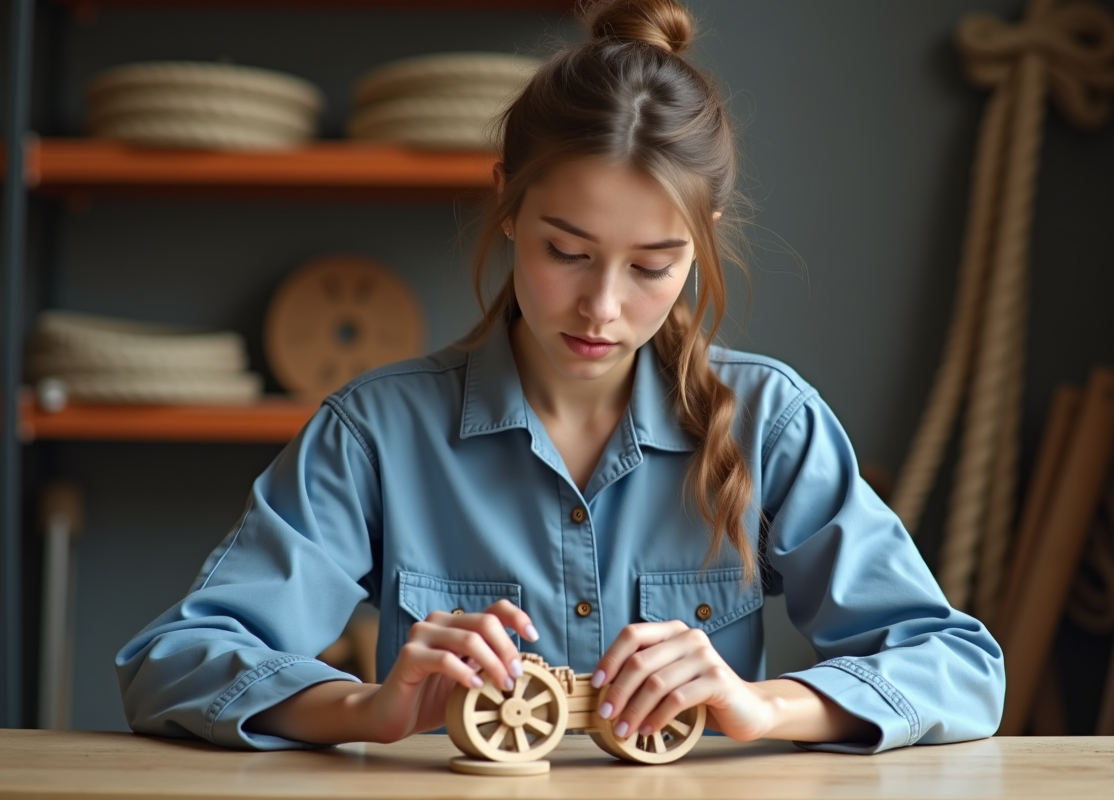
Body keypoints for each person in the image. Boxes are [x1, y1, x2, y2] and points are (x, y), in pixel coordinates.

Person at [116, 0, 1004, 755]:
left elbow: (959, 668)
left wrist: (759, 704)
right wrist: (365, 707)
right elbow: (174, 660)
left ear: (704, 238)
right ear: (507, 203)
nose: (602, 308)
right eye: (567, 252)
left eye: (654, 266)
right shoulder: (377, 433)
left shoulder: (767, 422)